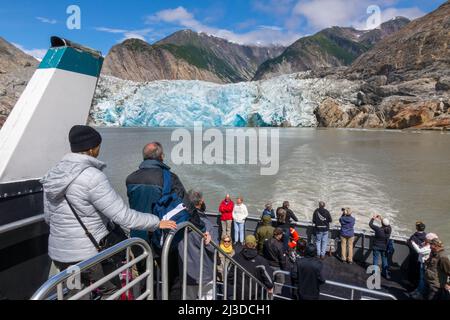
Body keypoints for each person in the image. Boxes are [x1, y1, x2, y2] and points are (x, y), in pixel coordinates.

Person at [40, 125, 176, 298]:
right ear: (91, 149)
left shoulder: (52, 175)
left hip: (62, 255)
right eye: (98, 145)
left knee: (76, 294)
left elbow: (48, 217)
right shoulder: (92, 177)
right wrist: (156, 222)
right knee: (110, 291)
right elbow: (123, 216)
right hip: (89, 255)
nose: (99, 149)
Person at [126, 142, 189, 243]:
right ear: (162, 156)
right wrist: (202, 229)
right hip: (161, 236)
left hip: (137, 235)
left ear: (144, 157)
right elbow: (186, 204)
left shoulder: (130, 178)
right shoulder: (169, 177)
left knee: (140, 258)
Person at [178, 190, 219, 300]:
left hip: (186, 272)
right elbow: (215, 249)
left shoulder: (179, 223)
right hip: (204, 273)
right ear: (201, 202)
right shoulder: (206, 224)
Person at [227, 235, 274, 300]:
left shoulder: (235, 258)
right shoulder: (261, 261)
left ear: (244, 244)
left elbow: (229, 276)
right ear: (255, 245)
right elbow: (269, 282)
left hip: (239, 294)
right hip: (256, 295)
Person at [408, 233, 438, 300]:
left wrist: (413, 243)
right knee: (421, 280)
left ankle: (420, 294)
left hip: (425, 265)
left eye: (426, 239)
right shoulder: (427, 245)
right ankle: (417, 291)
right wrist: (422, 244)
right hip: (422, 263)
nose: (425, 239)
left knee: (422, 281)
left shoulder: (429, 248)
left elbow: (420, 251)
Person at [263, 228, 287, 295]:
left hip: (268, 265)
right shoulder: (280, 245)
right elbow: (282, 259)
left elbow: (264, 252)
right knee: (279, 283)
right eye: (281, 234)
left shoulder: (267, 242)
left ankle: (268, 295)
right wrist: (283, 269)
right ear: (279, 235)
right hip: (277, 267)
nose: (282, 236)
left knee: (269, 282)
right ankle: (276, 296)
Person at [369, 214, 392, 279]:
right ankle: (385, 273)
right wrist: (381, 219)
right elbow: (387, 224)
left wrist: (373, 218)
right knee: (384, 260)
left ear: (382, 223)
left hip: (376, 246)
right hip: (384, 247)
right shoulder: (389, 229)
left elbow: (370, 224)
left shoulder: (378, 229)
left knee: (375, 259)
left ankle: (375, 273)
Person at [407, 221, 427, 287]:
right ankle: (418, 283)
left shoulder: (414, 237)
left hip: (413, 256)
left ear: (417, 228)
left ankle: (412, 283)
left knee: (412, 269)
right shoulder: (426, 237)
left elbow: (409, 244)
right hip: (422, 257)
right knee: (420, 270)